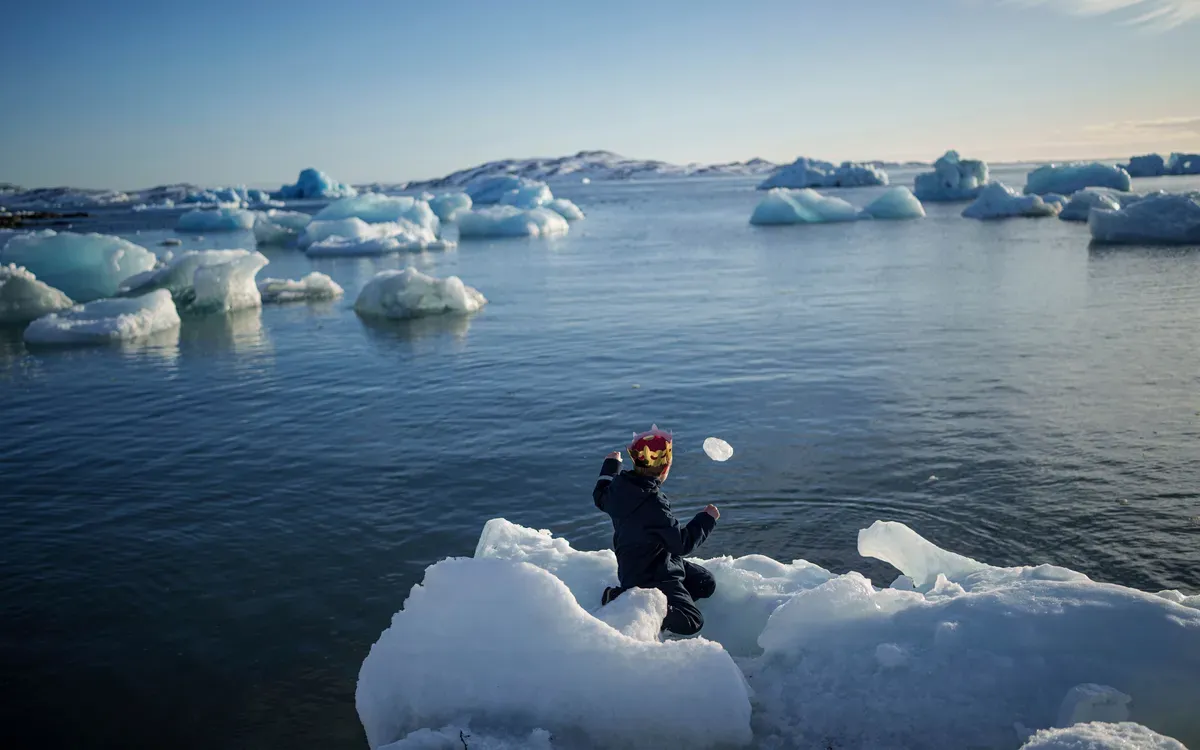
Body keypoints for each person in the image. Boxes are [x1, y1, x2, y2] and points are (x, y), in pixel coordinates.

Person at [592, 425, 720, 636]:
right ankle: (622, 599)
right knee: (692, 621)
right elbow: (682, 544)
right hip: (651, 575)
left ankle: (668, 600)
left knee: (705, 583)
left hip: (651, 562)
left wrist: (611, 465)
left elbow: (599, 495)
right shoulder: (653, 504)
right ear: (666, 467)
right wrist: (706, 520)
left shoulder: (619, 489)